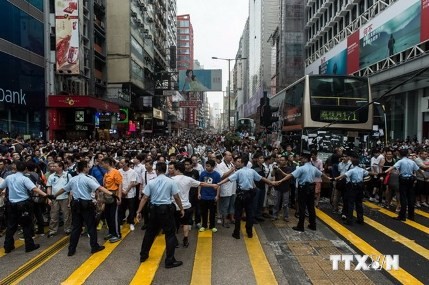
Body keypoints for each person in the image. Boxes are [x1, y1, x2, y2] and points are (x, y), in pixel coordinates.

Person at [52, 161, 117, 256]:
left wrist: (54, 195)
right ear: (84, 168)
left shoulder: (73, 179)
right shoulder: (88, 179)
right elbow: (99, 187)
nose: (89, 168)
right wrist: (112, 194)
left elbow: (64, 189)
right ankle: (94, 247)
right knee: (91, 227)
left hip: (75, 205)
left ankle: (71, 249)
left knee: (76, 228)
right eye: (87, 166)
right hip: (86, 205)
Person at [136, 162, 184, 268]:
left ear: (156, 170)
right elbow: (176, 197)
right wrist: (181, 208)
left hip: (153, 210)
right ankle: (169, 260)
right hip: (166, 210)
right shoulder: (170, 182)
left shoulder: (152, 182)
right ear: (165, 170)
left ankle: (143, 255)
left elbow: (144, 198)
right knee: (170, 235)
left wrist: (138, 211)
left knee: (149, 233)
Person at [217, 155, 277, 239]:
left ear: (242, 163)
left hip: (241, 195)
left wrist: (218, 184)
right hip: (250, 195)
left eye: (239, 162)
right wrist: (271, 183)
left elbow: (228, 179)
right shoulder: (252, 171)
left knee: (238, 214)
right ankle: (249, 233)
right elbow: (261, 178)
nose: (237, 163)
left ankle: (236, 233)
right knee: (250, 214)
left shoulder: (239, 172)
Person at [0, 161, 53, 253]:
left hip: (11, 205)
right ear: (25, 169)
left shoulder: (8, 178)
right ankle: (29, 246)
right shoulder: (25, 179)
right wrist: (46, 195)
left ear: (15, 168)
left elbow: (1, 188)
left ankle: (7, 247)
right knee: (27, 226)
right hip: (24, 205)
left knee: (11, 226)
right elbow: (35, 189)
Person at [169, 162, 218, 247]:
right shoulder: (188, 179)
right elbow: (201, 183)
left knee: (173, 224)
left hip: (174, 206)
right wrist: (213, 184)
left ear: (177, 169)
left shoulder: (171, 180)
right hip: (186, 206)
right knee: (186, 223)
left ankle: (175, 240)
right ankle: (185, 239)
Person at [277, 153, 331, 232]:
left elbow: (290, 175)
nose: (300, 160)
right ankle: (313, 225)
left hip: (303, 189)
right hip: (312, 188)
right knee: (311, 207)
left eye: (302, 158)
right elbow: (322, 174)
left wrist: (280, 180)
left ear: (306, 159)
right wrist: (329, 178)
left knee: (302, 207)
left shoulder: (301, 168)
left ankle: (300, 226)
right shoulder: (314, 168)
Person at [385, 148, 423, 221]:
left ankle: (402, 216)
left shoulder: (400, 161)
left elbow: (393, 167)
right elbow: (418, 170)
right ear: (407, 154)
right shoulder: (412, 162)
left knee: (403, 197)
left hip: (403, 180)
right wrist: (424, 176)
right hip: (411, 180)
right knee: (411, 197)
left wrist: (385, 172)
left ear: (399, 154)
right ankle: (411, 216)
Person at [335, 156, 375, 225]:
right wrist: (377, 173)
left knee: (350, 204)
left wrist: (335, 178)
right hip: (360, 188)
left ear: (352, 164)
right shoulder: (361, 170)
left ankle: (349, 220)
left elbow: (343, 175)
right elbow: (368, 173)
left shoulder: (352, 170)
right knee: (359, 204)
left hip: (352, 188)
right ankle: (360, 219)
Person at [46, 161, 72, 237]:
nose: (53, 167)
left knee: (67, 215)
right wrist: (49, 198)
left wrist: (70, 200)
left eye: (55, 166)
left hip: (65, 198)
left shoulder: (68, 175)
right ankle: (52, 230)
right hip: (55, 198)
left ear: (61, 167)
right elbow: (49, 187)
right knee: (53, 215)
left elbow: (71, 189)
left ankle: (67, 229)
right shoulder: (51, 176)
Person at [101, 157, 123, 243]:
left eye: (103, 163)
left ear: (107, 163)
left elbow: (120, 185)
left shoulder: (115, 172)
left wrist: (119, 197)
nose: (102, 165)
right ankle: (111, 232)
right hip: (107, 196)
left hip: (114, 196)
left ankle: (117, 234)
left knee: (114, 217)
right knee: (108, 216)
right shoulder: (106, 173)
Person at [198, 160, 221, 232]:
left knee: (212, 212)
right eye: (206, 166)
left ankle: (212, 226)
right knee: (204, 212)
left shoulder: (217, 175)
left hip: (212, 196)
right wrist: (199, 193)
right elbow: (200, 184)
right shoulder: (203, 173)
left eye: (208, 166)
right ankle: (204, 225)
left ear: (213, 167)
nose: (206, 167)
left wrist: (217, 196)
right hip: (204, 196)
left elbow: (218, 186)